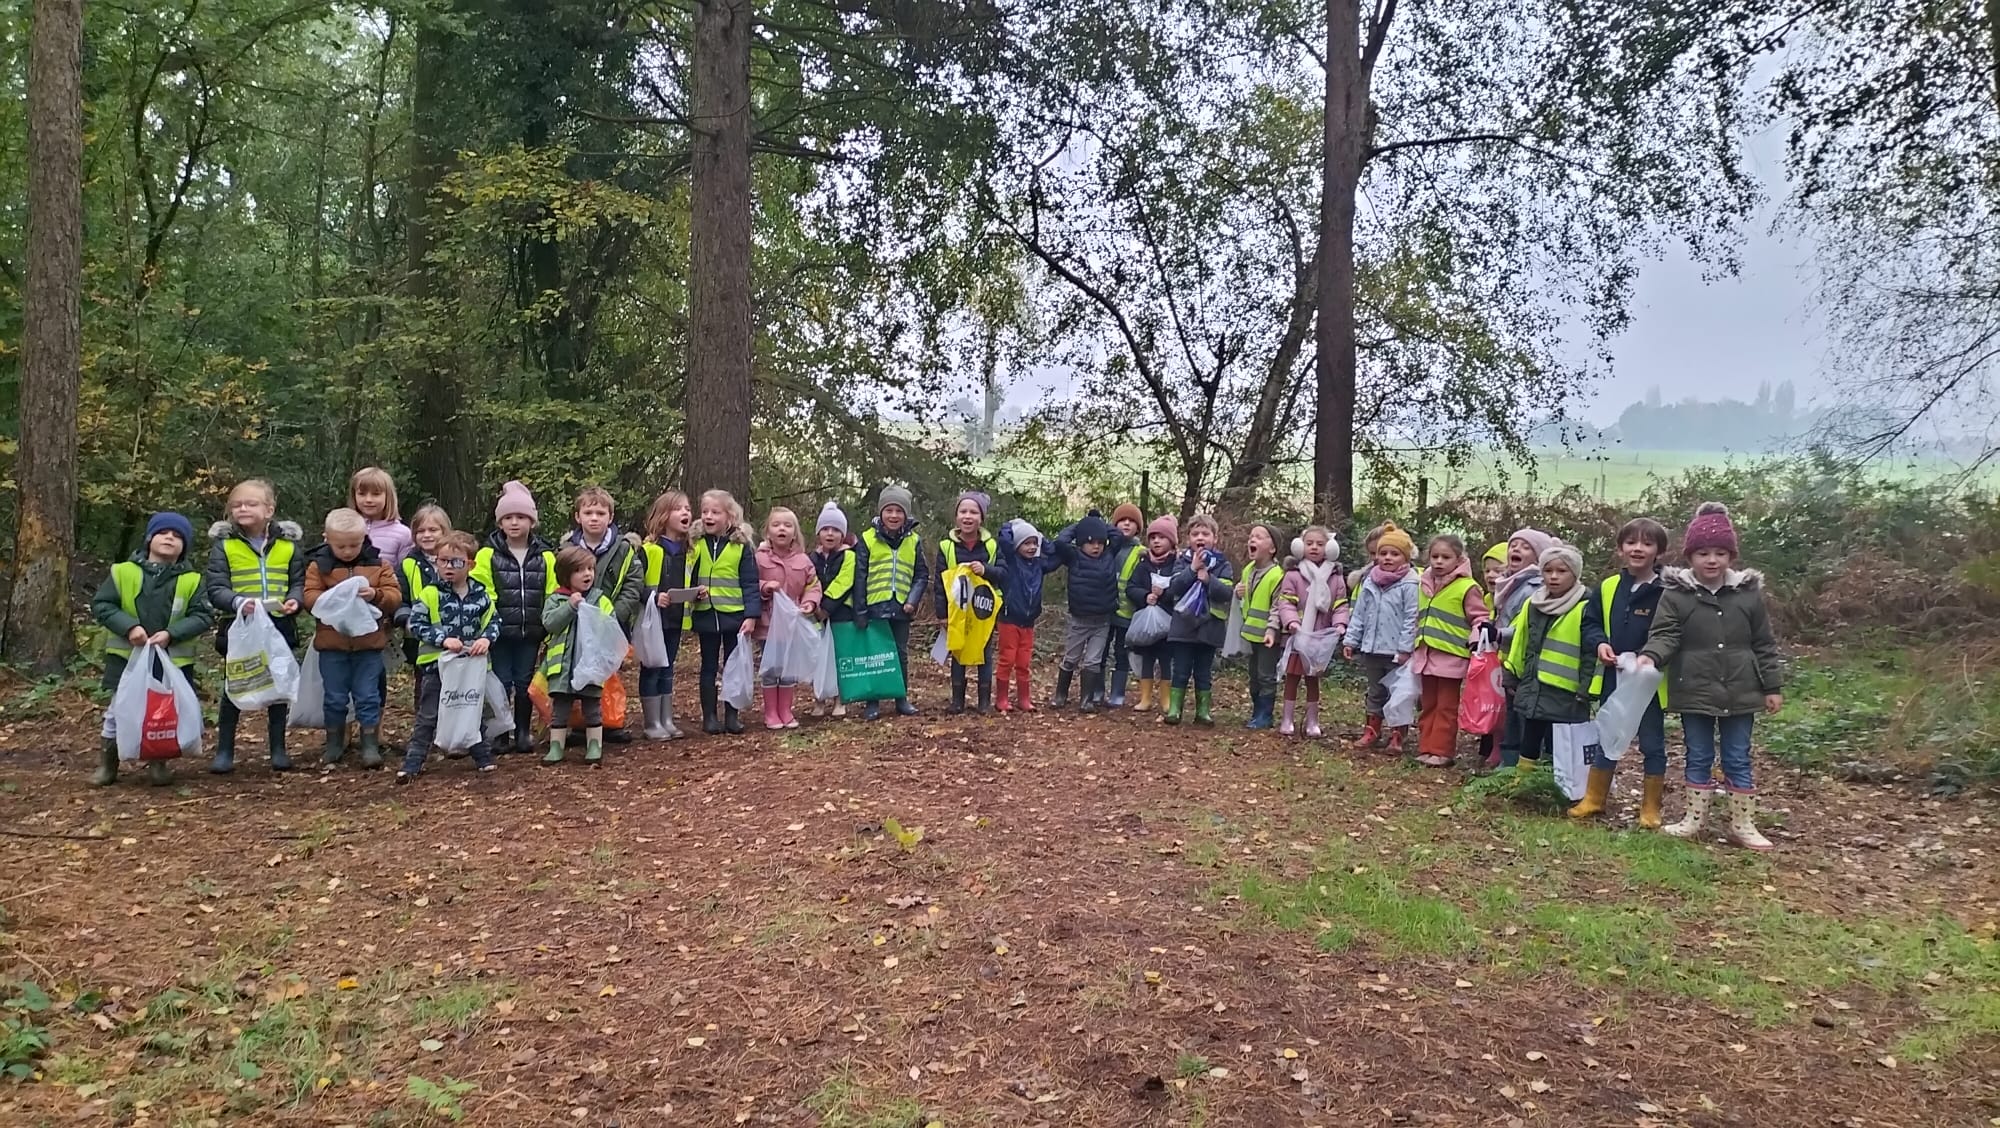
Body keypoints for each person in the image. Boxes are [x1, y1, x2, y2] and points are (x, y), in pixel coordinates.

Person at [1637, 503, 1784, 850]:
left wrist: (1771, 686)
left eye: (1720, 553)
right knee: (1698, 753)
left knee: (1737, 755)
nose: (1712, 560)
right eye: (1703, 553)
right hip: (1694, 688)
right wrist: (1651, 655)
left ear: (1731, 555)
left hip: (1742, 690)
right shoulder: (1676, 595)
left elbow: (1764, 642)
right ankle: (1694, 819)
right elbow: (1665, 634)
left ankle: (1742, 824)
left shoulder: (1747, 595)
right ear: (1691, 556)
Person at [90, 511, 213, 786]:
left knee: (163, 712)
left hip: (171, 662)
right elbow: (102, 605)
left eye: (178, 536)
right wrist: (129, 627)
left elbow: (203, 616)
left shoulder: (192, 580)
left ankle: (159, 763)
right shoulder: (122, 572)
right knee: (116, 711)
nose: (170, 538)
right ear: (149, 539)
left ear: (185, 547)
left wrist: (172, 634)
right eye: (163, 533)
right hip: (127, 660)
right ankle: (108, 766)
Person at [1573, 517, 1671, 824]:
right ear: (1620, 549)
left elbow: (1674, 632)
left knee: (1653, 743)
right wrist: (1599, 643)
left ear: (1659, 552)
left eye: (1647, 543)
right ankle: (1594, 799)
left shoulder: (1668, 590)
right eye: (1631, 542)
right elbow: (1589, 623)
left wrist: (1651, 657)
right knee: (1607, 735)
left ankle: (1651, 808)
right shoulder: (1607, 587)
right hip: (1612, 677)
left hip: (1649, 683)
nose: (1638, 549)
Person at [204, 478, 305, 774]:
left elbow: (298, 581)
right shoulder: (225, 546)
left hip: (278, 626)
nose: (242, 509)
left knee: (278, 686)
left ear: (269, 510)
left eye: (251, 503)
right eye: (236, 505)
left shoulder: (287, 547)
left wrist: (294, 601)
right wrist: (237, 603)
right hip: (240, 627)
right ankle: (225, 750)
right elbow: (216, 587)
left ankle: (278, 749)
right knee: (234, 684)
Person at [303, 507, 404, 769]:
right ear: (327, 539)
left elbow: (394, 596)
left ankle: (369, 745)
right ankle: (335, 743)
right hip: (332, 646)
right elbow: (309, 598)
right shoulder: (318, 566)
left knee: (368, 695)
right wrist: (335, 597)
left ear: (364, 539)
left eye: (354, 545)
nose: (348, 551)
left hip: (368, 645)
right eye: (341, 546)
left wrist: (375, 595)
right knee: (335, 696)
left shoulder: (378, 563)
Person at [399, 530, 498, 781]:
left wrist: (486, 639)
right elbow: (416, 624)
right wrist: (442, 639)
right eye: (442, 561)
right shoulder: (431, 593)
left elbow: (494, 622)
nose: (448, 567)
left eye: (456, 562)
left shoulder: (482, 595)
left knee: (471, 709)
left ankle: (483, 757)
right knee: (428, 715)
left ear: (470, 564)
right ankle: (412, 763)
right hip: (436, 667)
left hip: (470, 669)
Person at [1501, 541, 1605, 777]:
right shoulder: (1534, 604)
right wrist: (1512, 675)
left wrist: (1586, 688)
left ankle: (1560, 782)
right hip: (1535, 685)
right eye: (1548, 571)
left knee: (1560, 741)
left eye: (1561, 571)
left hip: (1567, 691)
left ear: (1575, 573)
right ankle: (1525, 781)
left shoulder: (1587, 605)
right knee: (1531, 736)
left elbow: (1591, 652)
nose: (1554, 577)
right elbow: (1521, 642)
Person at [472, 482, 556, 753]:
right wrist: (493, 623)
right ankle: (500, 732)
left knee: (524, 682)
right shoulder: (487, 554)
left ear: (531, 521)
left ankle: (522, 731)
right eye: (508, 517)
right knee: (500, 682)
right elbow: (483, 591)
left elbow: (552, 591)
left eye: (520, 517)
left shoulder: (545, 556)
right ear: (500, 522)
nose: (514, 522)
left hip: (531, 631)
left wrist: (547, 624)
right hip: (499, 633)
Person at [566, 487, 645, 741]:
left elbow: (634, 584)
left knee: (610, 673)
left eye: (600, 512)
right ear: (578, 516)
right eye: (588, 512)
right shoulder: (567, 548)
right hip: (576, 622)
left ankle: (610, 723)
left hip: (611, 623)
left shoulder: (623, 548)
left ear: (610, 517)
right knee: (579, 670)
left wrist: (613, 615)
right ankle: (579, 726)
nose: (594, 518)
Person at [1409, 534, 1491, 767]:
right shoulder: (1423, 583)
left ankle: (1442, 751)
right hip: (1425, 655)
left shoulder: (1467, 586)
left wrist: (1476, 640)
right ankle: (1426, 747)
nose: (1439, 561)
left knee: (1446, 706)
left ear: (1459, 559)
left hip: (1451, 656)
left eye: (1446, 557)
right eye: (1435, 556)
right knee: (1427, 704)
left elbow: (1479, 617)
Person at [686, 489, 761, 734]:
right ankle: (709, 717)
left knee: (733, 666)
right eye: (705, 511)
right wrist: (692, 593)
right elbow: (688, 575)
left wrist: (751, 616)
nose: (708, 516)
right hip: (706, 614)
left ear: (729, 516)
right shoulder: (695, 543)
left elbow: (750, 583)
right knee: (708, 666)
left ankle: (732, 715)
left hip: (733, 616)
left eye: (715, 512)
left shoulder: (741, 546)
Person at [1342, 521, 1420, 750]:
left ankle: (1398, 734)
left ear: (1405, 557)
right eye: (1382, 553)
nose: (1387, 558)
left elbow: (1411, 618)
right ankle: (1372, 730)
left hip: (1396, 651)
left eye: (1394, 554)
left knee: (1399, 693)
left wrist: (1405, 649)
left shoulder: (1410, 583)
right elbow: (1359, 614)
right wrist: (1350, 640)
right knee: (1375, 692)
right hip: (1372, 647)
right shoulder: (1370, 582)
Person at [858, 486, 928, 720]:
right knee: (875, 655)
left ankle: (901, 698)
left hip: (901, 608)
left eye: (899, 511)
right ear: (881, 512)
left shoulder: (914, 541)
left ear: (906, 514)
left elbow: (921, 575)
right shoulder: (867, 539)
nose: (894, 515)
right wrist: (860, 610)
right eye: (889, 510)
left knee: (900, 653)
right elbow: (860, 576)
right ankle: (873, 700)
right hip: (875, 606)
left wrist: (912, 601)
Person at [935, 491, 1008, 715]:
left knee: (984, 655)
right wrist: (942, 615)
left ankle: (984, 702)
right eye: (963, 511)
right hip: (957, 610)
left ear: (981, 518)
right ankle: (957, 701)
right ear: (956, 516)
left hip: (982, 611)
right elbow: (939, 582)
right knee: (958, 653)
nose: (968, 517)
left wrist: (986, 570)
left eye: (973, 512)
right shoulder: (946, 546)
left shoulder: (992, 546)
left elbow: (1004, 574)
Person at [540, 544, 614, 765]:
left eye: (590, 569)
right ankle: (556, 746)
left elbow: (609, 627)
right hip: (562, 667)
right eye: (580, 570)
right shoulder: (556, 599)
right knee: (560, 708)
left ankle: (594, 745)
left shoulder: (600, 599)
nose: (587, 574)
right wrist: (570, 607)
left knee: (592, 706)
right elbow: (549, 623)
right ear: (565, 574)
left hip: (590, 665)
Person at [1161, 514, 1234, 726]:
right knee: (1181, 671)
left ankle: (1203, 712)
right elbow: (1173, 588)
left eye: (1205, 533)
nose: (1200, 537)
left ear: (1215, 538)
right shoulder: (1181, 561)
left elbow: (1227, 593)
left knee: (1203, 673)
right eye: (1195, 534)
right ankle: (1175, 710)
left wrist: (1209, 580)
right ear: (1188, 538)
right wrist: (1192, 570)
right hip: (1183, 628)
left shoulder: (1222, 564)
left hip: (1209, 627)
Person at [1275, 526, 1349, 737]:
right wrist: (1291, 622)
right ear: (1301, 547)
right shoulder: (1293, 574)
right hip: (1297, 636)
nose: (1314, 547)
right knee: (1292, 676)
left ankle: (1312, 721)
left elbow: (1340, 605)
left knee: (1312, 678)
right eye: (1309, 543)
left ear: (1330, 548)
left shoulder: (1335, 577)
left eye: (1320, 544)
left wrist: (1340, 623)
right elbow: (1286, 602)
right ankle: (1287, 718)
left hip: (1319, 638)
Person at [753, 506, 823, 729]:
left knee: (788, 669)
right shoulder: (758, 558)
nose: (781, 529)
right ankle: (771, 712)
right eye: (776, 525)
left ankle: (785, 710)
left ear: (795, 532)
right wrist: (765, 587)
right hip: (767, 624)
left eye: (787, 525)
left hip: (793, 626)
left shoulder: (803, 560)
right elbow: (749, 584)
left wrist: (809, 603)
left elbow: (813, 585)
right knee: (772, 668)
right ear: (768, 532)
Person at [1492, 526, 1554, 768]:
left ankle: (1526, 765)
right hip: (1508, 657)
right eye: (1513, 545)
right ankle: (1508, 764)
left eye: (1525, 546)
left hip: (1524, 661)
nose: (1516, 549)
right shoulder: (1509, 583)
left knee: (1524, 715)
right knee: (1511, 715)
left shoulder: (1535, 587)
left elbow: (1526, 627)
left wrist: (1498, 633)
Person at [1049, 510, 1123, 715]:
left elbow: (1117, 536)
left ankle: (1086, 700)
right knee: (1071, 658)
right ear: (1081, 543)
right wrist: (1082, 524)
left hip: (1102, 621)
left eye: (1100, 542)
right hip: (1079, 620)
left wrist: (1098, 523)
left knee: (1093, 661)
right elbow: (1060, 541)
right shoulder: (1073, 557)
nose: (1096, 547)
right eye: (1090, 542)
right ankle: (1060, 696)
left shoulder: (1109, 555)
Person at [636, 490, 693, 738]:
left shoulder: (689, 550)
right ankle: (651, 723)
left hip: (677, 617)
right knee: (652, 666)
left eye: (688, 509)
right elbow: (635, 582)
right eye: (678, 508)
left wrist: (696, 593)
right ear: (662, 515)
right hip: (652, 619)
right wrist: (653, 595)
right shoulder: (649, 549)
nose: (686, 513)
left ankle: (666, 719)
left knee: (669, 666)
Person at [995, 517, 1061, 713]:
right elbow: (1005, 541)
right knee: (1007, 659)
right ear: (1017, 545)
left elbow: (1057, 553)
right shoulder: (1012, 562)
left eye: (1034, 543)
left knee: (1023, 663)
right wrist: (1010, 525)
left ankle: (1024, 699)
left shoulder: (1039, 565)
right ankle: (1002, 699)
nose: (1032, 547)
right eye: (1026, 543)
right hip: (1009, 619)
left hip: (1029, 621)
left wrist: (1042, 538)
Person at [809, 501, 867, 718]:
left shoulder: (849, 555)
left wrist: (826, 606)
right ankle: (819, 700)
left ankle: (840, 699)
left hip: (841, 613)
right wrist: (814, 604)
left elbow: (844, 582)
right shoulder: (812, 557)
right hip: (816, 615)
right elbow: (809, 580)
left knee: (841, 657)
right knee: (818, 658)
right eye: (825, 529)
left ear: (843, 534)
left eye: (835, 530)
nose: (830, 534)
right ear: (819, 533)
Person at [395, 504, 453, 718]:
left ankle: (451, 732)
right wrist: (405, 618)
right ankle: (424, 731)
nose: (426, 535)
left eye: (433, 530)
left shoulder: (456, 561)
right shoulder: (408, 564)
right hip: (420, 639)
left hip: (454, 635)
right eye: (421, 531)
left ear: (445, 532)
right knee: (425, 686)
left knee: (453, 685)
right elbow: (400, 599)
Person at [1123, 515, 1181, 713]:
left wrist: (1164, 595)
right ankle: (1145, 698)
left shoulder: (1177, 565)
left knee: (1166, 661)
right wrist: (1145, 596)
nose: (1156, 541)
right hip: (1146, 624)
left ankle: (1166, 700)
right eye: (1153, 537)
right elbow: (1131, 588)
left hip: (1169, 623)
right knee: (1146, 659)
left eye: (1162, 537)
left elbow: (1180, 589)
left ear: (1172, 541)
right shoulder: (1142, 565)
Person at [1236, 522, 1287, 730]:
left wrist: (1271, 630)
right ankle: (1256, 711)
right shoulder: (1248, 570)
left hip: (1268, 636)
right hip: (1251, 634)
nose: (1252, 540)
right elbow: (1246, 601)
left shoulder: (1277, 575)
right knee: (1254, 675)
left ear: (1272, 548)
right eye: (1251, 537)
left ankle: (1265, 715)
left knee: (1266, 675)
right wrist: (1238, 593)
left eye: (1258, 537)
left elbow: (1278, 607)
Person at [1103, 502, 1146, 706]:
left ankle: (1117, 694)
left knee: (1122, 652)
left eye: (1131, 521)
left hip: (1127, 614)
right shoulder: (1105, 547)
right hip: (1103, 611)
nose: (1126, 524)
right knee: (1100, 651)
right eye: (1122, 520)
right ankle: (1096, 690)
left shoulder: (1141, 552)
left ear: (1138, 527)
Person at [349, 467, 413, 569]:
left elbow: (406, 574)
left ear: (388, 496)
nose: (368, 499)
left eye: (376, 494)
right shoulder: (344, 528)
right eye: (362, 494)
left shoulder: (403, 534)